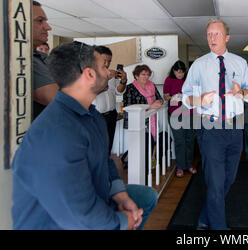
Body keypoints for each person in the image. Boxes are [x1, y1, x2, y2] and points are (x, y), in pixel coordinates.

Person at [11, 42, 157, 230]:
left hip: (91, 199)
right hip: (60, 222)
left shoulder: (92, 115)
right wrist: (121, 221)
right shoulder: (56, 131)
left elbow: (104, 160)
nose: (108, 72)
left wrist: (120, 194)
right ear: (89, 74)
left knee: (146, 197)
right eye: (104, 66)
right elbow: (78, 213)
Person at [182, 18, 248, 230]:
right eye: (209, 35)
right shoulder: (199, 65)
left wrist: (241, 92)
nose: (212, 38)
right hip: (211, 128)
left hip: (234, 128)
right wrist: (199, 99)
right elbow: (185, 96)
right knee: (215, 183)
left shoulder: (240, 63)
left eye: (216, 34)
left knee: (228, 179)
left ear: (227, 37)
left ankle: (205, 216)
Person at [123, 64, 163, 170]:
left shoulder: (152, 85)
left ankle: (144, 164)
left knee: (148, 143)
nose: (146, 77)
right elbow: (128, 105)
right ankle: (133, 163)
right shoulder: (130, 88)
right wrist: (150, 106)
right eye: (143, 74)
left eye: (147, 74)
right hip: (137, 122)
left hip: (151, 120)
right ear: (136, 76)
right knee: (138, 145)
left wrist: (158, 102)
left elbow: (160, 99)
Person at [92, 46, 127, 153]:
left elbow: (119, 91)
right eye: (104, 60)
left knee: (108, 145)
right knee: (96, 146)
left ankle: (105, 166)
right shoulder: (90, 74)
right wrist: (105, 78)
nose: (107, 64)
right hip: (97, 115)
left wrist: (123, 81)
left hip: (111, 114)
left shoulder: (111, 73)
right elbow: (92, 92)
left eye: (109, 61)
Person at [163, 60, 196, 178]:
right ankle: (180, 166)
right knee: (180, 141)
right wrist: (173, 98)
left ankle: (189, 164)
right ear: (174, 71)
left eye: (182, 72)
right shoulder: (169, 80)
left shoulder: (189, 80)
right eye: (178, 72)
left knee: (190, 140)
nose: (180, 74)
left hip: (190, 113)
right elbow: (166, 96)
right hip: (175, 113)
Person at [32, 1, 58, 119]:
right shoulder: (28, 61)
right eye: (40, 20)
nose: (48, 27)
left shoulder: (42, 58)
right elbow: (56, 99)